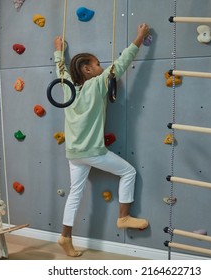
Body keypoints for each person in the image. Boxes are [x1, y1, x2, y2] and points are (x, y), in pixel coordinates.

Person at [53, 23, 150, 257]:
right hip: (92, 151)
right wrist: (139, 37)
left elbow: (61, 70)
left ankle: (65, 236)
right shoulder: (97, 85)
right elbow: (123, 62)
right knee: (128, 172)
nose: (102, 67)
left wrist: (58, 51)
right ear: (87, 70)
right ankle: (123, 217)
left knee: (74, 194)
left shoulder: (66, 88)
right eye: (97, 64)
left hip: (74, 153)